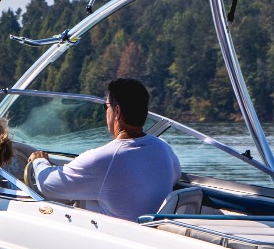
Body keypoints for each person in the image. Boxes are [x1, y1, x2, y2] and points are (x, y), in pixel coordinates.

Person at [28, 78, 180, 220]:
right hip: (148, 234)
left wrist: (39, 160)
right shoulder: (164, 148)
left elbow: (47, 184)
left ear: (117, 112)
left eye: (106, 106)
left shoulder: (102, 160)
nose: (105, 112)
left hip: (111, 239)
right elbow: (174, 176)